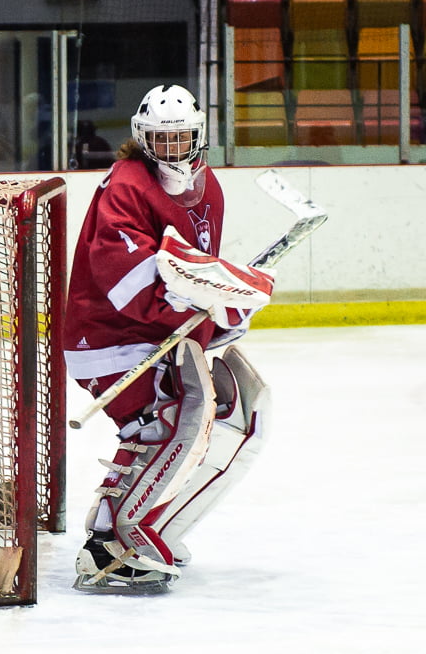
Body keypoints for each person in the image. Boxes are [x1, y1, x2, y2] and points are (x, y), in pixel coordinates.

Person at [63, 84, 275, 595]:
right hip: (107, 336)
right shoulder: (126, 186)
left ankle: (139, 531)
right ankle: (118, 540)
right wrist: (214, 294)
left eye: (182, 139)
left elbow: (193, 273)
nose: (173, 150)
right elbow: (128, 281)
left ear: (198, 136)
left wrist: (220, 312)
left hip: (153, 334)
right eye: (162, 139)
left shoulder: (208, 188)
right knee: (166, 423)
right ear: (143, 138)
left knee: (241, 415)